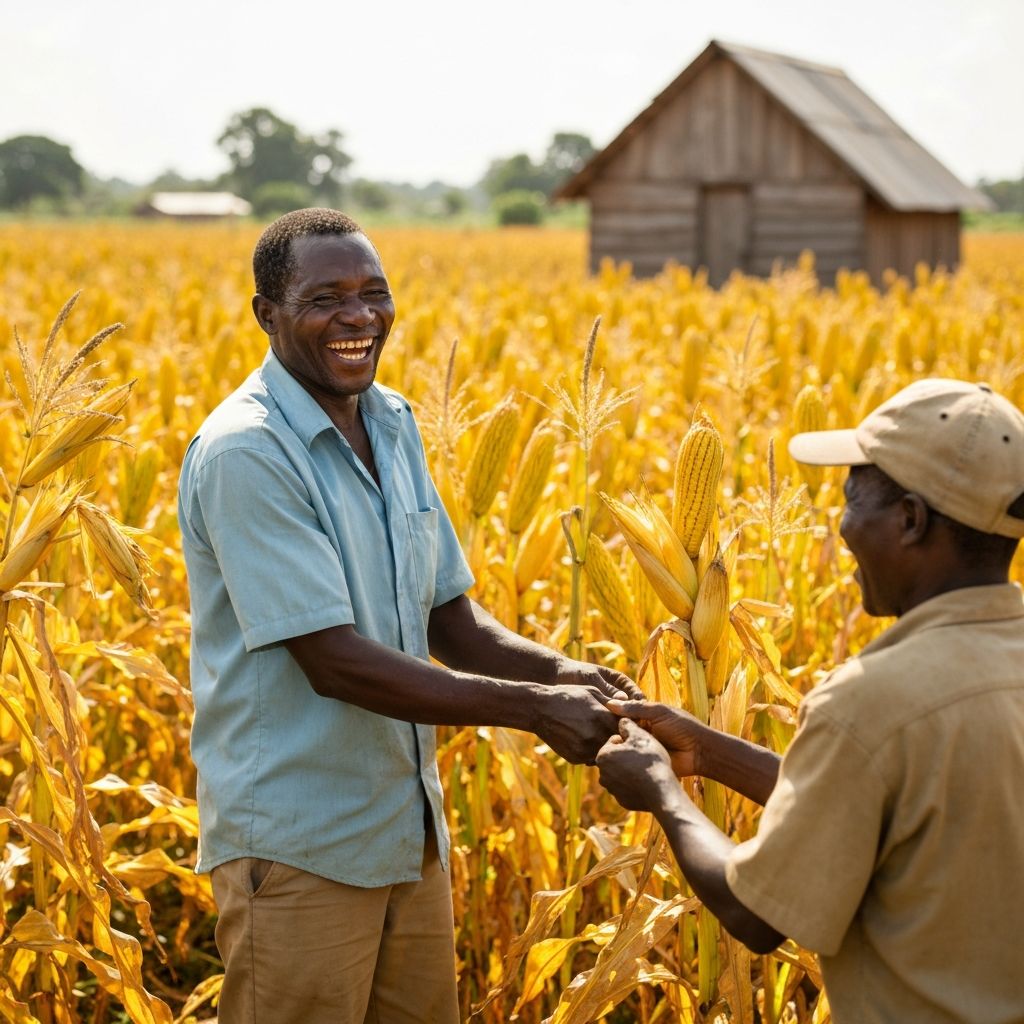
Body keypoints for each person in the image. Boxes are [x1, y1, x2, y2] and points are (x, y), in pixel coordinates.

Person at [177, 208, 636, 1024]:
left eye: (373, 293)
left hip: (405, 831)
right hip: (299, 842)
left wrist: (567, 673)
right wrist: (534, 709)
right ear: (267, 316)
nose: (358, 317)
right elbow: (336, 662)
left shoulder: (391, 423)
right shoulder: (247, 451)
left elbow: (452, 622)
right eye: (326, 299)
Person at [595, 378, 1024, 1023]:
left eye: (853, 501)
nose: (840, 526)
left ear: (910, 520)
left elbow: (756, 914)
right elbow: (881, 800)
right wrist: (705, 749)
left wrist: (662, 790)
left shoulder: (872, 701)